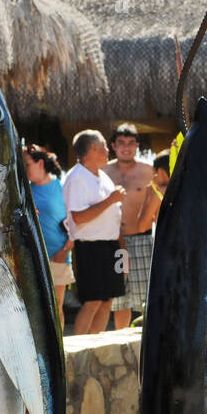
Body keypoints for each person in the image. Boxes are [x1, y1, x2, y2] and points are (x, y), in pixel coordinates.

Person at [63, 130, 126, 336]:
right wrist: (111, 199)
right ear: (93, 148)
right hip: (89, 246)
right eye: (105, 146)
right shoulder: (76, 177)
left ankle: (96, 347)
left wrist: (122, 251)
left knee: (108, 300)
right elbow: (78, 217)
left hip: (110, 245)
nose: (108, 150)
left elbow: (112, 214)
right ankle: (80, 349)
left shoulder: (103, 176)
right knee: (93, 301)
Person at [104, 124, 156, 330]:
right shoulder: (103, 171)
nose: (126, 148)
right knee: (120, 298)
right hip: (115, 242)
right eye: (121, 143)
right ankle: (120, 339)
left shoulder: (148, 170)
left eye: (131, 143)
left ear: (137, 146)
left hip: (142, 239)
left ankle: (147, 341)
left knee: (147, 295)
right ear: (113, 146)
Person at [23, 143, 74, 330]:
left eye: (27, 164)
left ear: (40, 164)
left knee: (57, 307)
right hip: (33, 258)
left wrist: (66, 249)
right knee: (35, 309)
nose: (24, 168)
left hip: (58, 255)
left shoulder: (62, 187)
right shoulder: (24, 191)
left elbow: (76, 222)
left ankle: (59, 350)